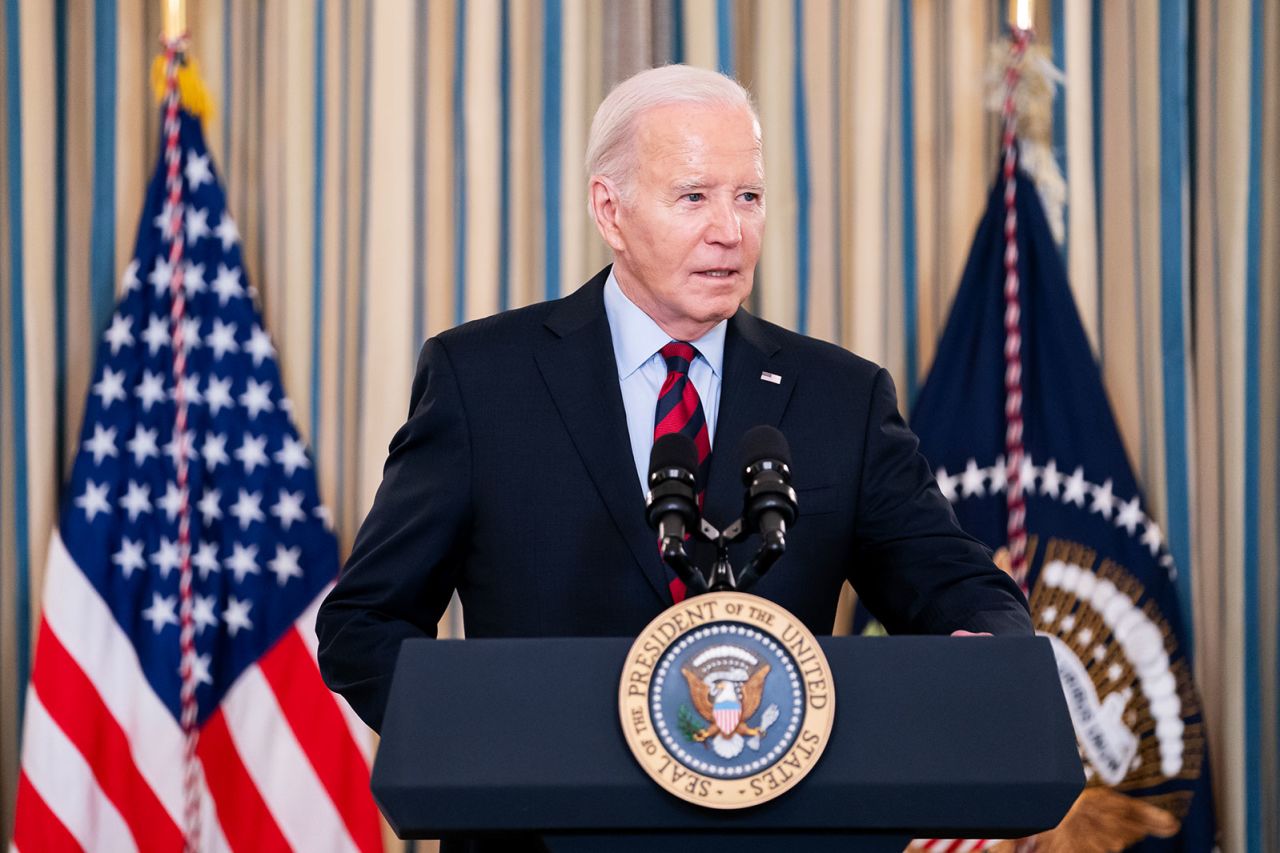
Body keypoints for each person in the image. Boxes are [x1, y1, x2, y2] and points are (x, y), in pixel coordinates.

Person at [316, 64, 1031, 737]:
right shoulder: (480, 380)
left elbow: (960, 587)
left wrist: (983, 641)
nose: (731, 230)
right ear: (611, 210)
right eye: (694, 196)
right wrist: (490, 750)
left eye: (747, 196)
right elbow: (366, 622)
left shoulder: (842, 397)